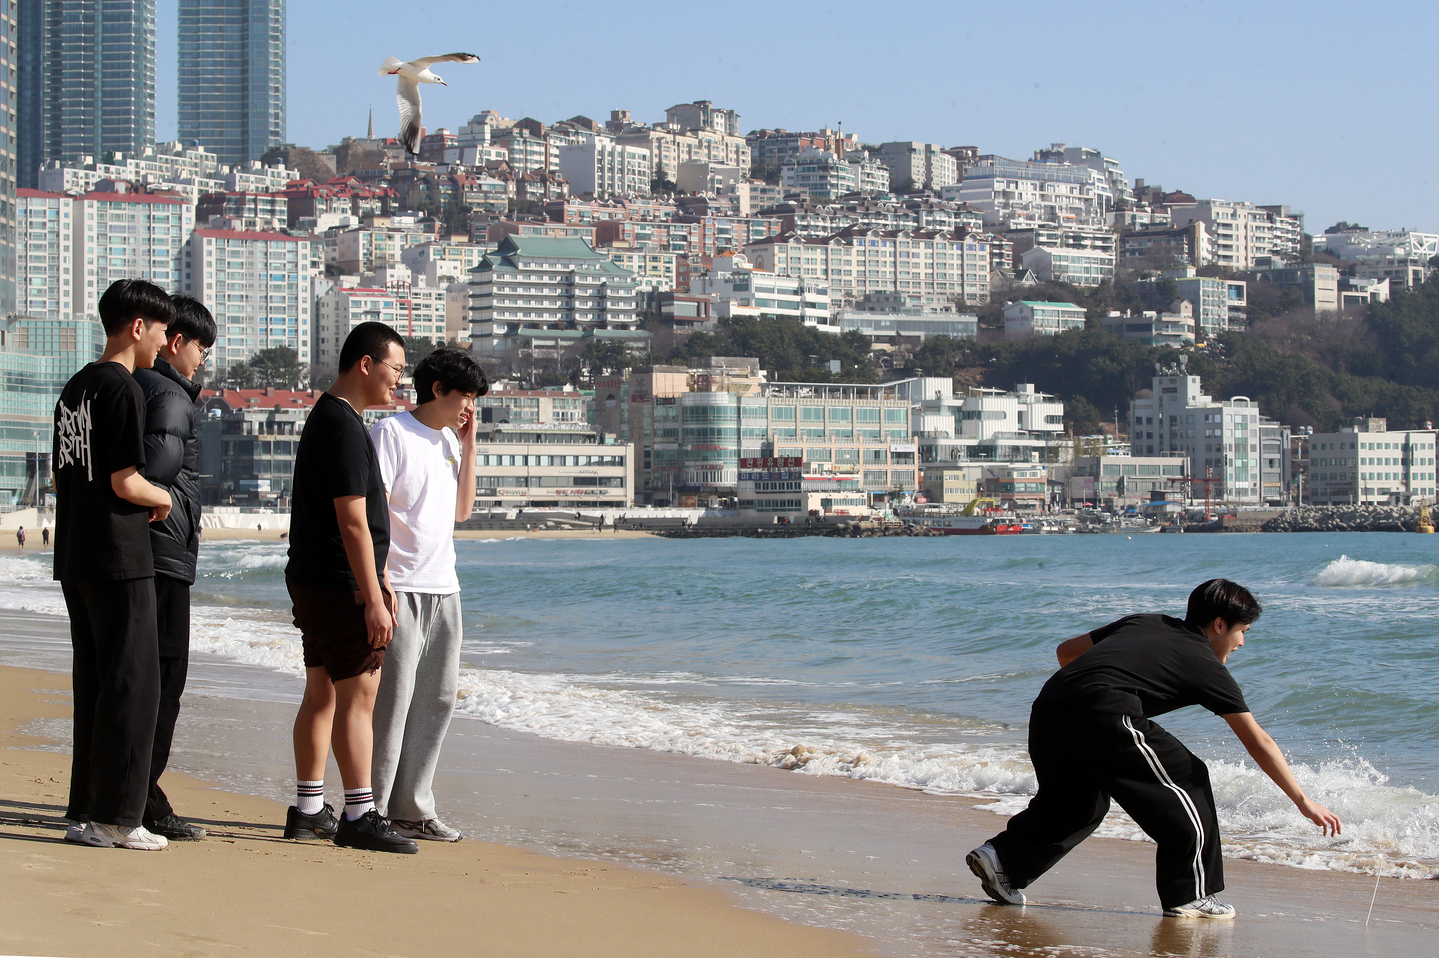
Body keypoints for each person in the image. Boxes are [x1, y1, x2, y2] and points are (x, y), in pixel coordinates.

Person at [966, 579, 1341, 920]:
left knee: (1078, 806)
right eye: (1243, 631)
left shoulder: (1146, 621)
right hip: (1106, 713)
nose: (1242, 642)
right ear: (1220, 625)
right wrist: (1302, 800)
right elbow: (1258, 740)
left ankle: (1002, 861)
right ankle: (1190, 894)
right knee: (1189, 779)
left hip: (1049, 708)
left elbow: (1066, 652)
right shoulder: (1205, 664)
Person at [282, 321, 417, 854]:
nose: (398, 383)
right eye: (396, 370)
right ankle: (360, 813)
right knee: (358, 695)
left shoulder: (333, 417)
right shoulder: (341, 425)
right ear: (366, 364)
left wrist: (378, 578)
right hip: (339, 583)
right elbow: (353, 521)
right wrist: (373, 596)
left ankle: (309, 809)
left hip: (315, 578)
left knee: (320, 692)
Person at [54, 279, 175, 851]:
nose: (163, 342)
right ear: (136, 327)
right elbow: (124, 480)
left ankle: (85, 812)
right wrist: (164, 498)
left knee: (96, 685)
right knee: (133, 686)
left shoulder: (75, 388)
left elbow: (71, 476)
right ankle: (120, 818)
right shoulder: (123, 389)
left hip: (77, 556)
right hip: (120, 558)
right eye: (159, 330)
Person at [368, 347, 486, 841]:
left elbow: (462, 511)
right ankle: (369, 810)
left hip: (445, 588)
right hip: (401, 585)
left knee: (437, 700)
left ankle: (413, 807)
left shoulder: (450, 442)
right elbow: (370, 515)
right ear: (437, 389)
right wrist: (378, 584)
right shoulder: (391, 433)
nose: (469, 408)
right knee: (392, 704)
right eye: (465, 398)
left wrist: (470, 442)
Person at [132, 295, 216, 842]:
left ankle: (130, 791)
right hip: (162, 556)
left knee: (133, 681)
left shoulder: (133, 386)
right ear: (175, 340)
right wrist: (167, 513)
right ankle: (144, 799)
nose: (202, 361)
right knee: (164, 681)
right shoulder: (167, 395)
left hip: (145, 556)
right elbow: (156, 476)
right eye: (200, 348)